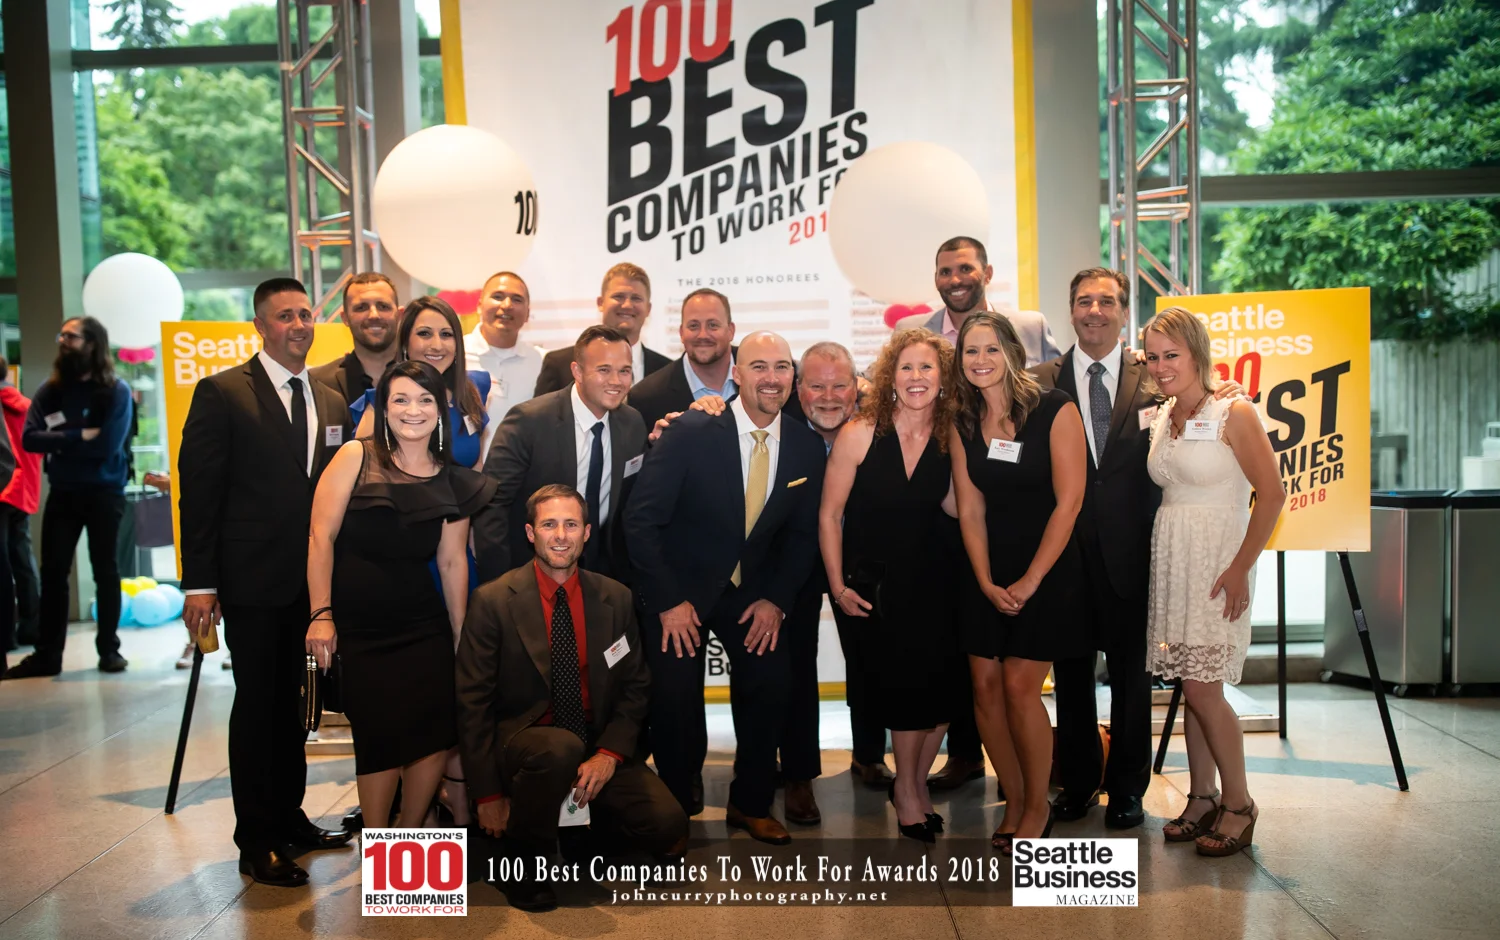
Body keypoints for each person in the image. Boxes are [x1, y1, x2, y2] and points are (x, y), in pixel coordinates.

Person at [1036, 267, 1242, 830]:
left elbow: (1200, 403)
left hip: (1137, 556)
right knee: (1071, 678)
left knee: (1132, 680)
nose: (1094, 311)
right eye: (1084, 301)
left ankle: (1128, 788)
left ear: (1124, 312)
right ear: (1070, 311)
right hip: (1065, 558)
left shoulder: (1155, 375)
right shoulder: (1040, 382)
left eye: (1107, 301)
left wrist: (1223, 390)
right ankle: (1079, 781)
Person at [175, 277, 355, 887]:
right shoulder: (223, 392)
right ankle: (256, 839)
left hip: (313, 586)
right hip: (251, 583)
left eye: (305, 314)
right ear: (259, 325)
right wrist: (199, 583)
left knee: (299, 706)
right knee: (259, 707)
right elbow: (200, 494)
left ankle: (289, 818)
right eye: (285, 316)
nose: (299, 325)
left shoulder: (330, 398)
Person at [625, 331, 825, 845]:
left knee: (770, 684)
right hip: (679, 588)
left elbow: (803, 535)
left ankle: (750, 804)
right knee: (674, 700)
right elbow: (641, 521)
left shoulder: (805, 445)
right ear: (736, 373)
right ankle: (674, 808)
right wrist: (668, 602)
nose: (771, 378)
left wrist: (776, 601)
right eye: (759, 367)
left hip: (751, 593)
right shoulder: (690, 431)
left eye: (782, 367)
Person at [456, 485, 687, 912]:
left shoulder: (615, 597)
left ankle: (578, 830)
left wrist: (610, 754)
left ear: (586, 533)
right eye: (549, 525)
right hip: (526, 742)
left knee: (667, 825)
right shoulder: (493, 601)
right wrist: (487, 796)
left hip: (595, 742)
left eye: (571, 525)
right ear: (530, 533)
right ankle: (524, 867)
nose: (560, 535)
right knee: (558, 748)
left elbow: (635, 686)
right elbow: (473, 705)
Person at [306, 361, 495, 831]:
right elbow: (319, 537)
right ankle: (377, 838)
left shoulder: (452, 478)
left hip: (423, 626)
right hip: (360, 628)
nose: (414, 410)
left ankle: (409, 838)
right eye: (402, 399)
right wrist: (321, 614)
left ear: (441, 409)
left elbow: (452, 562)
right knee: (378, 738)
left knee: (432, 734)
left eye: (425, 400)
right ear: (384, 408)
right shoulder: (356, 456)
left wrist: (459, 635)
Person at [1143, 306, 1283, 857]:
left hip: (1218, 563)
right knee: (1192, 685)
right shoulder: (1163, 415)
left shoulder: (1234, 411)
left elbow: (1271, 495)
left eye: (1171, 355)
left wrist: (1241, 567)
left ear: (1197, 353)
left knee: (1204, 687)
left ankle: (1240, 804)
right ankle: (1202, 797)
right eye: (1152, 357)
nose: (1161, 366)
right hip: (1175, 561)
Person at [950, 312, 1089, 851]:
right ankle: (1012, 798)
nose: (980, 360)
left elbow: (1069, 502)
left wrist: (1031, 579)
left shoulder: (1055, 408)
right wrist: (984, 580)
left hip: (1048, 570)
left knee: (1017, 687)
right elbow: (969, 509)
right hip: (986, 570)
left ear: (1012, 352)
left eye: (991, 349)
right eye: (970, 351)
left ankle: (1037, 806)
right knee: (985, 689)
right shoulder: (962, 420)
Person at [819, 329, 960, 844]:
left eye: (927, 367)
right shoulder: (860, 432)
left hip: (939, 582)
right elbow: (829, 515)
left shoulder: (951, 436)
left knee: (942, 698)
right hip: (878, 589)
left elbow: (958, 508)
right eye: (906, 367)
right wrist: (837, 586)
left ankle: (913, 783)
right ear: (889, 376)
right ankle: (907, 793)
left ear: (943, 378)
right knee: (905, 695)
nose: (916, 377)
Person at [5, 318, 133, 679]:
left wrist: (60, 440)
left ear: (92, 343)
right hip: (63, 492)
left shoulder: (115, 390)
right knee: (53, 573)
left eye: (71, 337)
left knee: (106, 571)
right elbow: (30, 440)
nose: (62, 341)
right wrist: (80, 436)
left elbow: (107, 445)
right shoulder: (51, 390)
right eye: (61, 335)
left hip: (105, 493)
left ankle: (109, 651)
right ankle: (47, 656)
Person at [779, 341, 872, 829]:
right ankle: (798, 775)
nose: (829, 397)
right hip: (792, 561)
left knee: (867, 655)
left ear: (858, 387)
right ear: (799, 390)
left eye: (840, 386)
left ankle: (870, 754)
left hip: (859, 560)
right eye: (817, 386)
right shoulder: (779, 428)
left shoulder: (878, 425)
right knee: (795, 667)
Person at [473, 325, 645, 585]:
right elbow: (492, 506)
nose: (616, 381)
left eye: (624, 371)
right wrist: (500, 585)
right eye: (603, 370)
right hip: (531, 572)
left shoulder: (633, 424)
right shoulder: (529, 421)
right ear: (577, 371)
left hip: (604, 576)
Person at [353, 297, 492, 470]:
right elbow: (361, 472)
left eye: (446, 334)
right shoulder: (382, 401)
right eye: (424, 333)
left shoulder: (472, 388)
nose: (437, 345)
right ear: (405, 342)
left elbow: (477, 467)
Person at [894, 236, 1061, 368]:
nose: (955, 280)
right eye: (945, 272)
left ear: (987, 274)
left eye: (965, 269)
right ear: (936, 279)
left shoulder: (1032, 327)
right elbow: (884, 383)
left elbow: (1058, 384)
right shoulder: (908, 331)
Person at [534, 263, 670, 395]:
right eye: (619, 296)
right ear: (600, 303)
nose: (627, 305)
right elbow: (543, 410)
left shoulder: (667, 370)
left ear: (648, 309)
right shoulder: (559, 364)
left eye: (636, 298)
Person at [627, 287, 737, 430]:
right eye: (693, 326)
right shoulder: (646, 398)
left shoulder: (760, 374)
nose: (703, 335)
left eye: (713, 325)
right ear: (681, 333)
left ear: (731, 331)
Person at [464, 271, 545, 458]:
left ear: (528, 313)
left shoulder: (542, 361)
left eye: (517, 299)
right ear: (479, 306)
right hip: (464, 471)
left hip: (522, 471)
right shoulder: (455, 355)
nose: (507, 305)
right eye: (498, 297)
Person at [0, 356, 41, 652]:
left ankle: (5, 636)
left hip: (3, 489)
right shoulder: (27, 405)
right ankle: (32, 626)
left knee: (2, 563)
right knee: (23, 560)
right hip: (24, 490)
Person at [310, 272, 400, 406]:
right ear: (345, 318)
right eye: (361, 308)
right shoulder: (317, 383)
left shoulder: (424, 376)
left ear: (400, 314)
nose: (374, 315)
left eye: (383, 306)